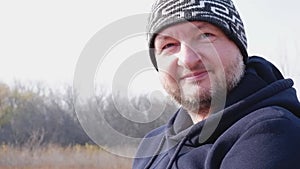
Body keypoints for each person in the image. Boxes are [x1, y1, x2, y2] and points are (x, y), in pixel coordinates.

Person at [132, 0, 300, 168]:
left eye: (205, 36)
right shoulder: (151, 145)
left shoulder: (273, 132)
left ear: (238, 47)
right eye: (169, 45)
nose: (188, 60)